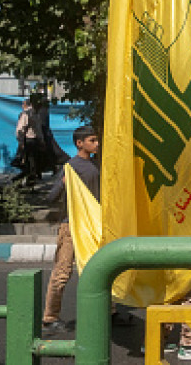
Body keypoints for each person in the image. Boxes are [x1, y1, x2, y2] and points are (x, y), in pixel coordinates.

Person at [42, 126, 130, 333]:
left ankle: (110, 311)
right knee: (62, 272)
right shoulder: (71, 167)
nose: (97, 144)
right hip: (71, 226)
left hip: (94, 225)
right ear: (79, 143)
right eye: (92, 140)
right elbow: (50, 197)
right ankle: (49, 317)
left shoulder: (96, 164)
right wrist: (64, 183)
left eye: (97, 140)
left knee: (103, 268)